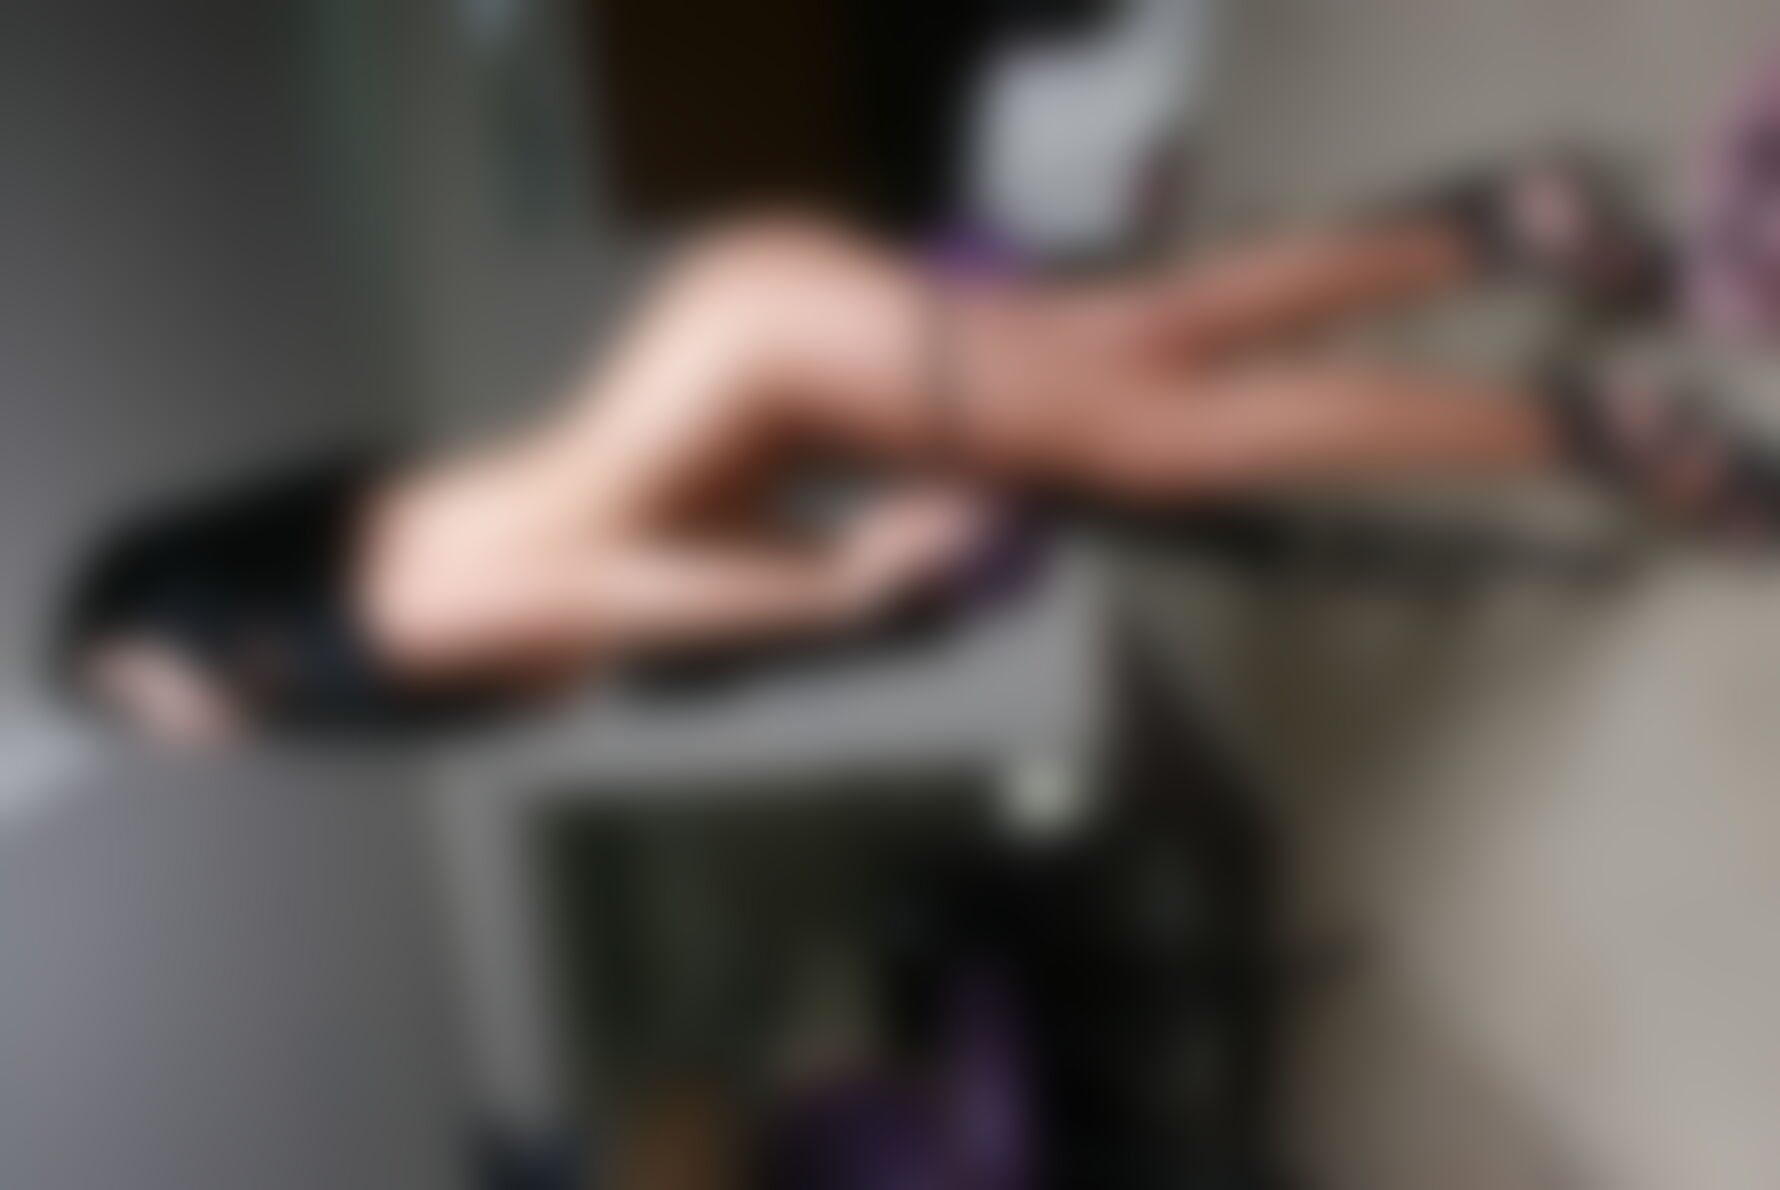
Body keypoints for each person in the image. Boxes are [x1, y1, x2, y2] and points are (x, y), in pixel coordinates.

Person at [52, 156, 1763, 745]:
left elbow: (609, 580)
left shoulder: (389, 622)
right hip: (754, 326)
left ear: (206, 614)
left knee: (1167, 441)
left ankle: (1601, 431)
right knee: (1145, 345)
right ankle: (1511, 223)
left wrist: (843, 582)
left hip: (778, 348)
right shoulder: (363, 550)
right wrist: (816, 560)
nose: (180, 730)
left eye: (147, 688)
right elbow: (630, 550)